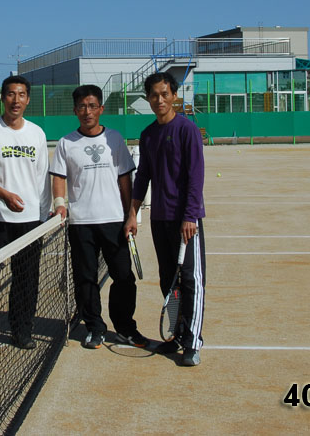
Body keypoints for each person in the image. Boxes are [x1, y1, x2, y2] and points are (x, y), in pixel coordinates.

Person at [50, 85, 149, 350]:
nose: (87, 111)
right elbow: (59, 177)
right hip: (81, 223)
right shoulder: (66, 143)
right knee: (85, 279)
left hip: (114, 221)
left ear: (101, 109)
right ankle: (94, 327)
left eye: (92, 106)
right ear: (75, 110)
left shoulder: (114, 139)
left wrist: (130, 214)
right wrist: (60, 204)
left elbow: (125, 179)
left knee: (123, 277)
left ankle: (125, 327)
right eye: (82, 107)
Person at [126, 72, 206, 367]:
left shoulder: (187, 130)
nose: (159, 100)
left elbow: (196, 176)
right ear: (148, 98)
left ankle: (193, 342)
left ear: (174, 95)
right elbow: (142, 177)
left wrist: (190, 216)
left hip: (185, 221)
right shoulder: (148, 134)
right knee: (168, 281)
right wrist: (132, 213)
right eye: (154, 95)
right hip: (159, 219)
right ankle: (176, 335)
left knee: (190, 280)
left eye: (164, 94)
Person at [0, 75, 50, 350]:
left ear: (28, 99)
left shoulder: (37, 133)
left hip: (29, 222)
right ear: (2, 98)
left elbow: (42, 177)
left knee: (26, 281)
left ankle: (22, 331)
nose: (15, 100)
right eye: (10, 94)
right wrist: (4, 195)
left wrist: (42, 217)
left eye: (21, 95)